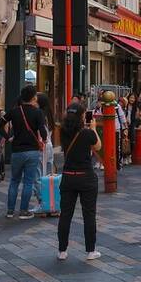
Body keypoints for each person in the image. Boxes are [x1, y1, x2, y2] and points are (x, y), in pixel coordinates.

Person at [57, 103, 102, 261]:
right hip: (86, 177)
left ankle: (62, 250)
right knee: (89, 214)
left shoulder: (63, 131)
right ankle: (90, 251)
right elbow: (98, 145)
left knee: (65, 214)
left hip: (68, 176)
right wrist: (94, 128)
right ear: (82, 116)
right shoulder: (87, 133)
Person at [0, 85, 47, 219]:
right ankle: (24, 211)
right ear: (33, 97)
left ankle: (10, 211)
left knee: (14, 181)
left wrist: (8, 137)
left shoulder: (14, 111)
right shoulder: (38, 112)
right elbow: (43, 131)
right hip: (32, 151)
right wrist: (44, 139)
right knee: (28, 182)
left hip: (17, 151)